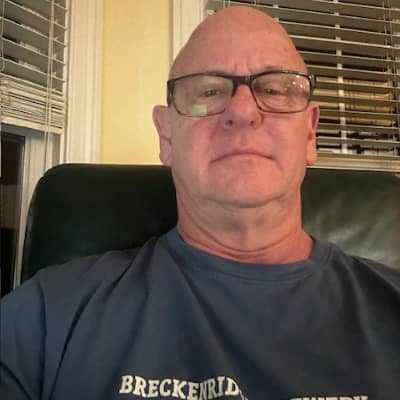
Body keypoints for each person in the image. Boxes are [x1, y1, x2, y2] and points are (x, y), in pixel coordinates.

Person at [1, 6, 399, 400]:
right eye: (209, 91)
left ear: (310, 134)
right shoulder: (47, 317)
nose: (243, 111)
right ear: (167, 136)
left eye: (274, 89)